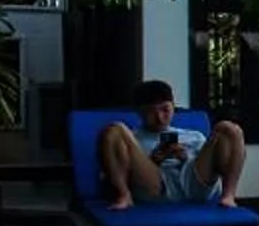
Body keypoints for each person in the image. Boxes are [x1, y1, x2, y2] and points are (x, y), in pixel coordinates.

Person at [96, 80, 247, 211]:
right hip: (155, 187)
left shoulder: (194, 135)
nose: (160, 118)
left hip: (195, 184)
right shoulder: (130, 139)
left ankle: (229, 195)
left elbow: (212, 165)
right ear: (139, 112)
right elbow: (108, 176)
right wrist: (155, 159)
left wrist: (185, 157)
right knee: (115, 129)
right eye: (151, 112)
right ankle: (124, 196)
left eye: (165, 110)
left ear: (174, 106)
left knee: (228, 128)